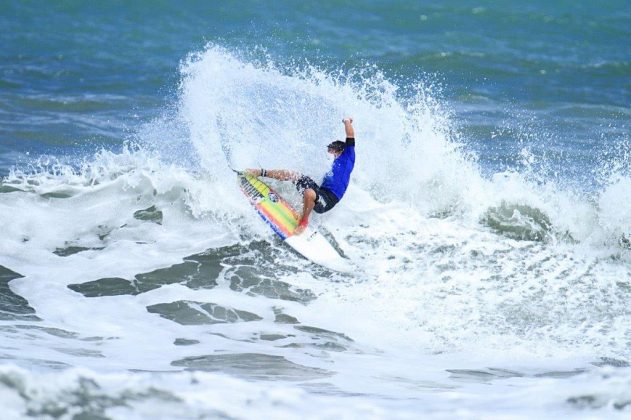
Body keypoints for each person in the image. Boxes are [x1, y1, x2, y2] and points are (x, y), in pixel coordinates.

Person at [247, 117, 356, 235]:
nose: (328, 152)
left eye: (330, 149)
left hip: (329, 200)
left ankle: (304, 223)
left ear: (337, 149)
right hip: (321, 192)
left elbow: (350, 135)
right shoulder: (335, 162)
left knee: (309, 193)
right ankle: (260, 172)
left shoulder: (348, 155)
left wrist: (347, 121)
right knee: (295, 175)